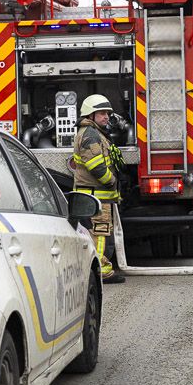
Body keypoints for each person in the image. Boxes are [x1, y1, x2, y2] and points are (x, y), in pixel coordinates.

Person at [70, 94, 126, 284]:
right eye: (102, 113)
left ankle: (100, 267)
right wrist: (111, 181)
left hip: (98, 197)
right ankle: (101, 271)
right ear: (90, 115)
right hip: (97, 198)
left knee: (99, 234)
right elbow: (96, 166)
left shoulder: (95, 133)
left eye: (108, 113)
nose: (106, 117)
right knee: (100, 235)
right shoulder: (90, 135)